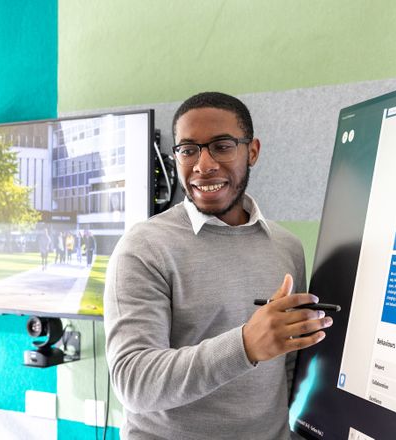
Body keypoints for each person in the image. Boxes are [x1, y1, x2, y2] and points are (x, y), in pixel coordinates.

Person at [104, 92, 333, 439]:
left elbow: (287, 368)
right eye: (188, 149)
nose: (203, 164)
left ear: (252, 151)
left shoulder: (287, 247)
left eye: (222, 146)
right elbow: (133, 382)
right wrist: (245, 346)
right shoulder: (144, 248)